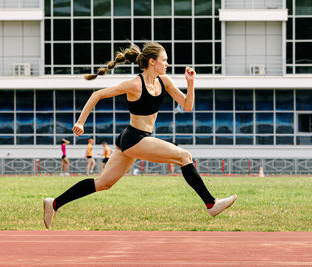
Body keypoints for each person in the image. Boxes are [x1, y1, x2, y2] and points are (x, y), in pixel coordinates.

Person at [43, 42, 237, 229]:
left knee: (103, 183)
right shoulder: (135, 84)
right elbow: (97, 95)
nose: (167, 64)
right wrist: (80, 122)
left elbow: (187, 105)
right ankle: (211, 204)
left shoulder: (165, 81)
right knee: (184, 156)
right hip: (134, 138)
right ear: (152, 61)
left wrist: (191, 83)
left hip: (135, 139)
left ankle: (54, 203)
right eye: (164, 60)